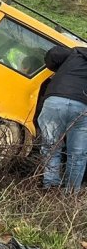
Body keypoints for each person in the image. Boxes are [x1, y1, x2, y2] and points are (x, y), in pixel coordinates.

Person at [39, 45, 87, 192]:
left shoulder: (77, 52)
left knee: (51, 147)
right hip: (82, 107)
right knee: (77, 153)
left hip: (55, 100)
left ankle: (51, 187)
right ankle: (71, 194)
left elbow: (53, 54)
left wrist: (60, 69)